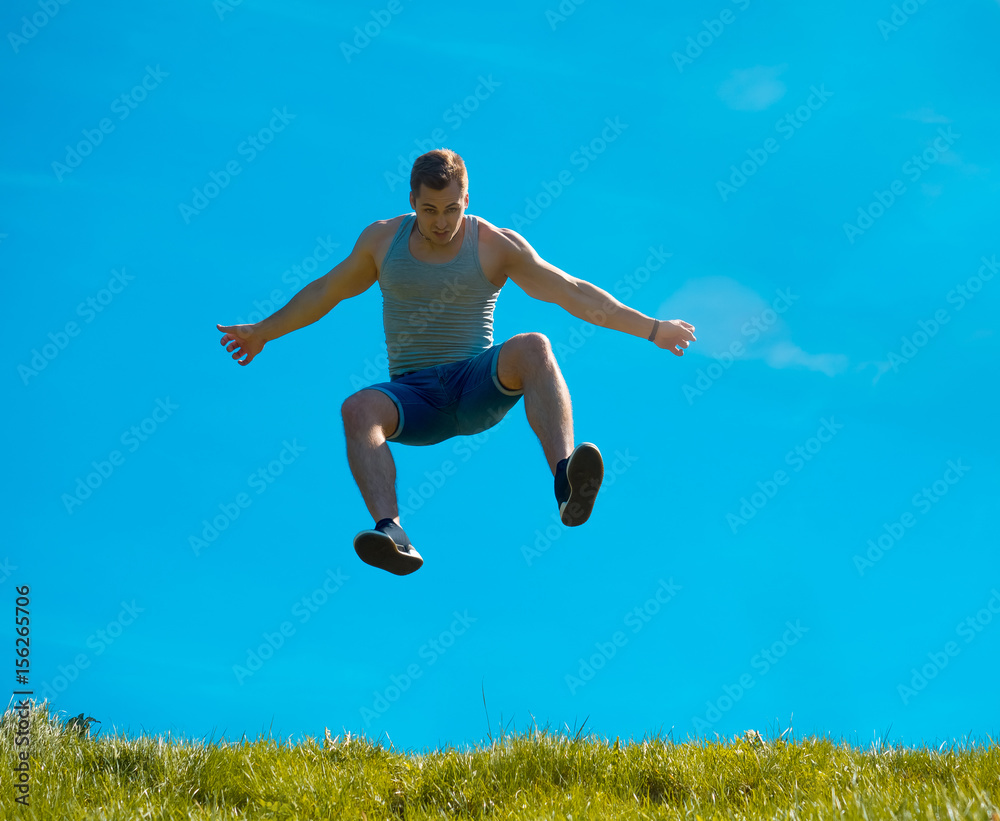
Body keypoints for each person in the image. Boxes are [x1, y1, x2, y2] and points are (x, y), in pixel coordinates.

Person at [216, 149, 696, 576]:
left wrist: (651, 328)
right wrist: (262, 332)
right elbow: (327, 290)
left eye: (450, 209)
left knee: (534, 345)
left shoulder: (493, 244)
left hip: (476, 384)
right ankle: (393, 535)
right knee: (357, 408)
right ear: (411, 200)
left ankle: (565, 480)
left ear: (467, 198)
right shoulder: (382, 242)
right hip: (414, 396)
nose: (441, 222)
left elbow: (570, 292)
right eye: (428, 210)